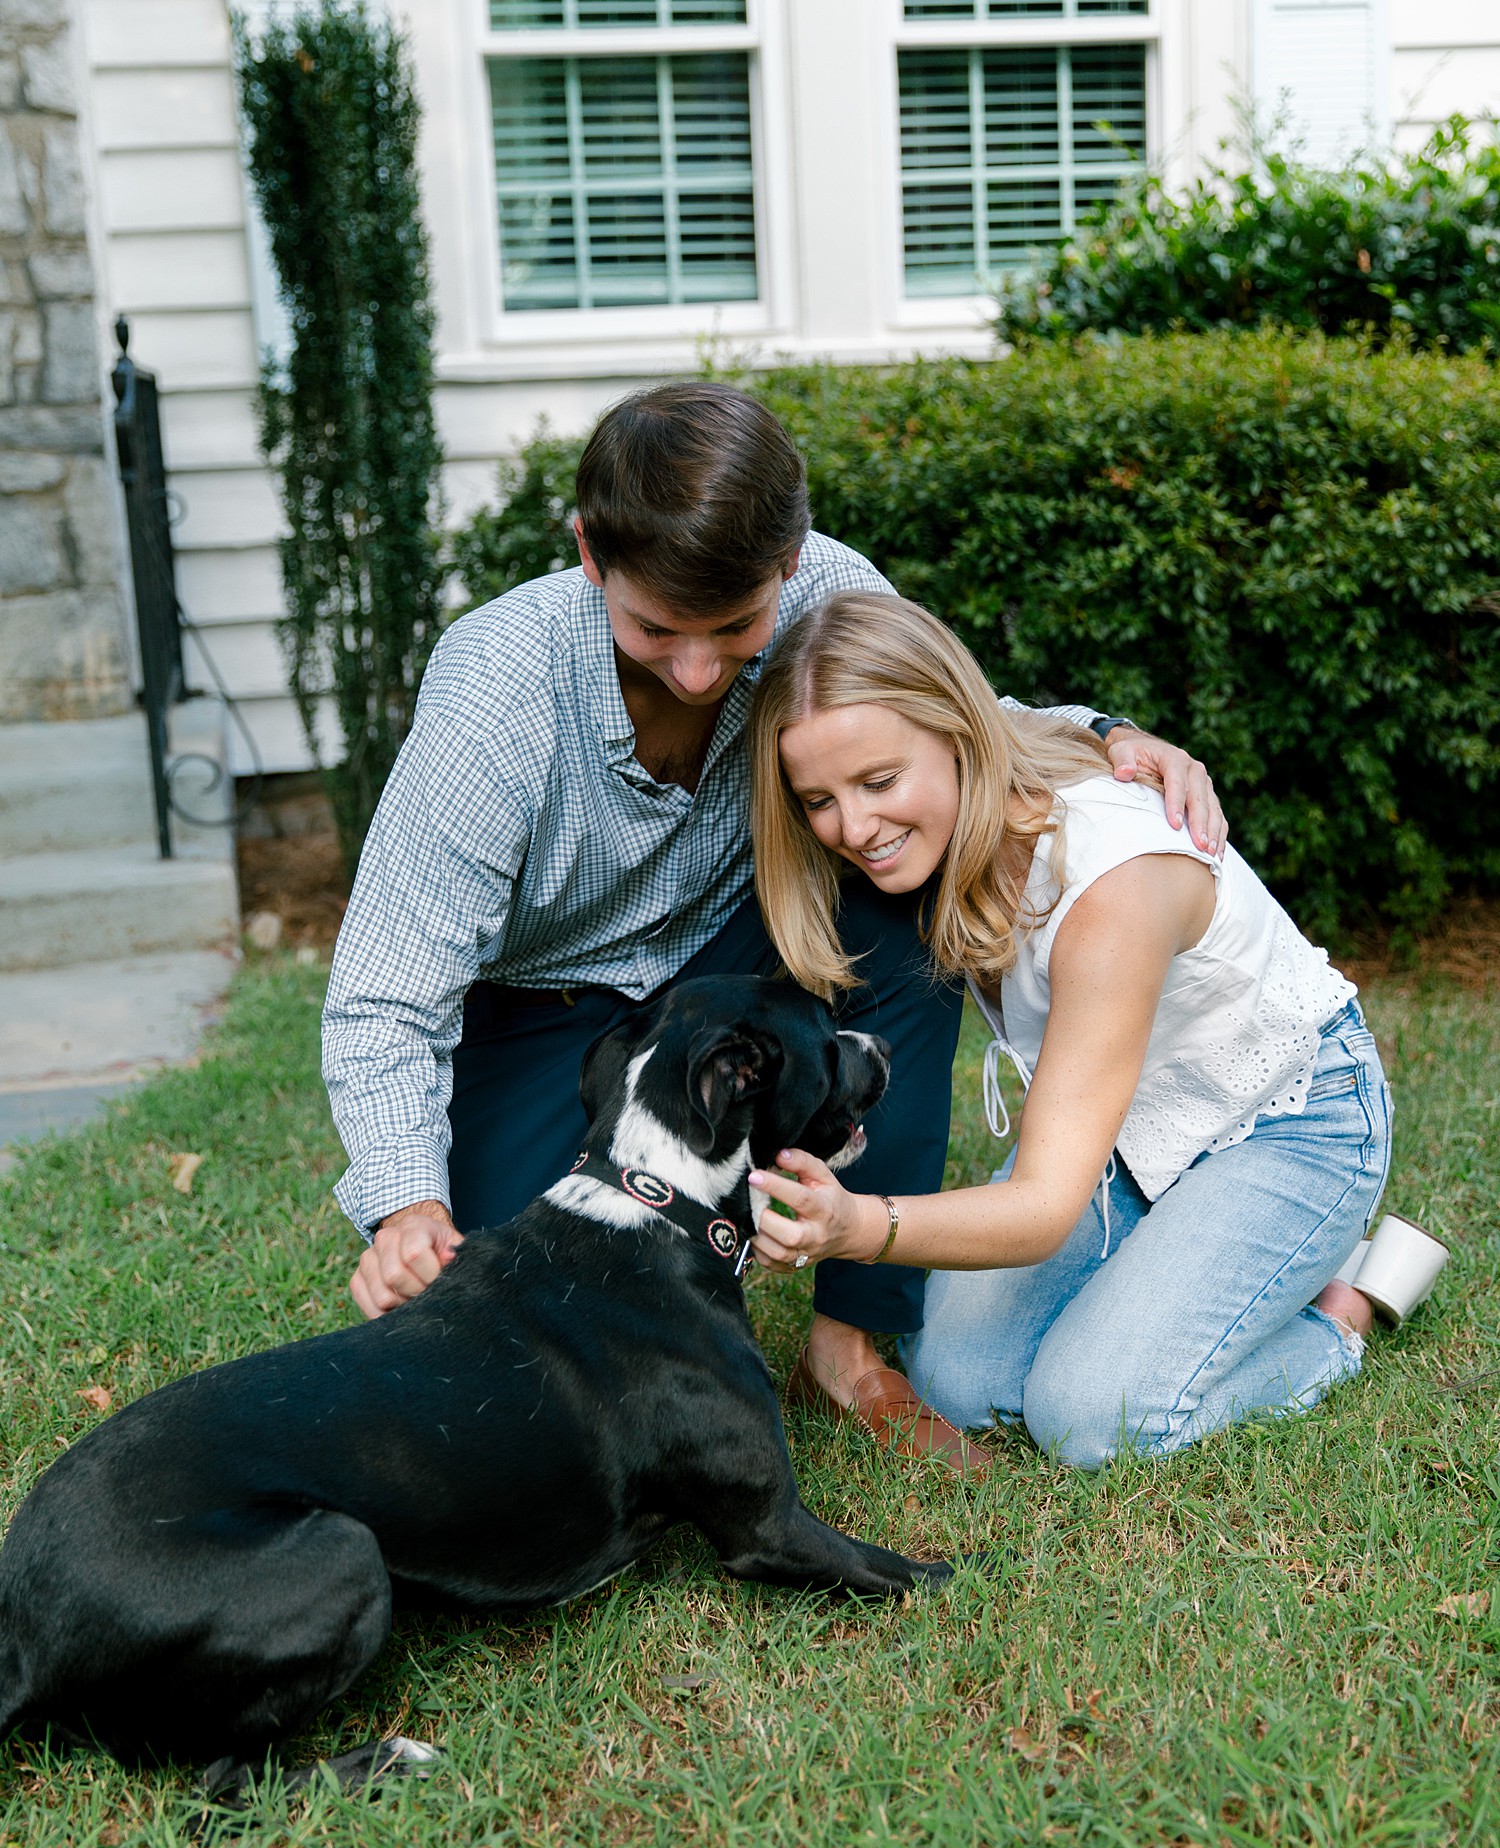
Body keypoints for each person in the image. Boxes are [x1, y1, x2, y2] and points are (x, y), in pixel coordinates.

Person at [322, 382, 1225, 1475]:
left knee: (902, 894)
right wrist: (406, 1209)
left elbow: (951, 721)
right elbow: (384, 994)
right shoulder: (494, 694)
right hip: (541, 1007)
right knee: (527, 1327)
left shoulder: (829, 587)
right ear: (589, 556)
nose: (699, 671)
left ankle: (847, 1342)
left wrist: (1109, 733)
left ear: (790, 561)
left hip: (736, 947)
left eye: (735, 628)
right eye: (655, 627)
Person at [745, 592, 1394, 1469]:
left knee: (1091, 1420)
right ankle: (1192, 1270)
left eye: (879, 782)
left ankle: (1336, 1313)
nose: (854, 829)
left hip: (1291, 1124)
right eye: (818, 799)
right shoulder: (967, 778)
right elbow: (1026, 711)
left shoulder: (1110, 887)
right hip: (1125, 1132)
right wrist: (1117, 726)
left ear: (957, 734)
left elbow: (1044, 1209)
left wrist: (856, 1224)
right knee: (953, 1378)